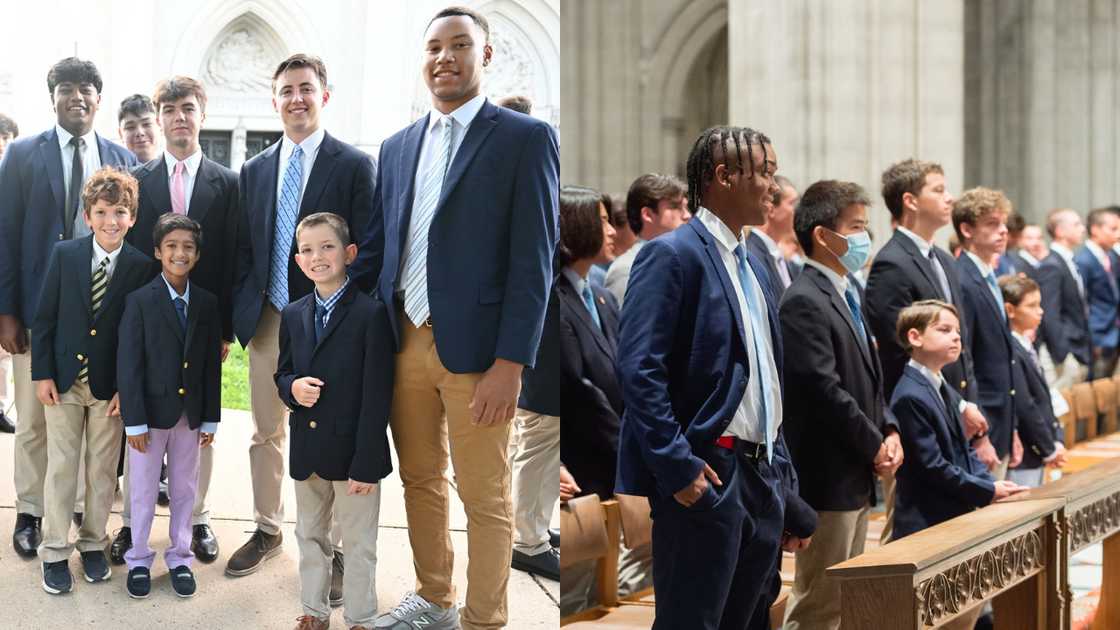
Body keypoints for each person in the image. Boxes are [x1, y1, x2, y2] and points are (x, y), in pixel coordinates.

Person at [355, 7, 559, 629]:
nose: (444, 57)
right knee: (420, 480)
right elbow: (379, 247)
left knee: (486, 497)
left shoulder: (524, 138)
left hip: (479, 356)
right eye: (434, 47)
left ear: (485, 56)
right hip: (404, 340)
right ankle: (435, 598)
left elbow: (535, 261)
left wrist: (511, 363)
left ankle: (484, 617)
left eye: (460, 45)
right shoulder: (396, 147)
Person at [615, 125, 815, 630]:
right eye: (765, 172)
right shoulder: (672, 254)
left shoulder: (756, 264)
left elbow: (766, 381)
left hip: (762, 474)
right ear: (724, 176)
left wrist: (784, 486)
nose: (774, 185)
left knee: (750, 620)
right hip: (709, 473)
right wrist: (677, 467)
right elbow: (640, 369)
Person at [231, 54, 376, 600]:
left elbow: (368, 245)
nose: (296, 98)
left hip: (328, 322)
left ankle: (332, 548)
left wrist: (342, 312)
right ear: (274, 100)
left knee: (328, 434)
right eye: (286, 90)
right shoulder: (256, 168)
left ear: (324, 95)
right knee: (266, 430)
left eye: (306, 88)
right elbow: (249, 244)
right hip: (272, 316)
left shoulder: (354, 165)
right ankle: (268, 529)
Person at [0, 57, 138, 558]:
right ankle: (30, 511)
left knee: (93, 421)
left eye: (85, 89)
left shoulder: (121, 156)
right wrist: (7, 312)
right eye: (65, 89)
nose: (76, 97)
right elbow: (7, 235)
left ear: (99, 98)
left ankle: (80, 512)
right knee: (37, 419)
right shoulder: (20, 156)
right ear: (52, 97)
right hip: (39, 314)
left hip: (101, 316)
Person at [112, 76, 237, 566]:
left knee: (194, 427)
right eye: (170, 109)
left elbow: (228, 258)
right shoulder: (139, 182)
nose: (179, 117)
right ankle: (130, 527)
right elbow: (131, 261)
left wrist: (224, 328)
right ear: (159, 118)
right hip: (148, 323)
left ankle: (197, 520)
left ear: (202, 114)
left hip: (203, 323)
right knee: (141, 428)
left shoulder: (228, 183)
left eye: (188, 107)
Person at [779, 180, 902, 630]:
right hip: (827, 475)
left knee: (844, 598)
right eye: (855, 227)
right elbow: (822, 388)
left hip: (854, 469)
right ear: (823, 236)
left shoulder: (847, 292)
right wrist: (874, 444)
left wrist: (889, 429)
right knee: (819, 602)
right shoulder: (804, 300)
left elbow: (869, 376)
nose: (864, 237)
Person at [31, 167, 153, 594]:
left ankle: (94, 544)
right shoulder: (65, 256)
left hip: (110, 388)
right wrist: (42, 372)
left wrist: (127, 387)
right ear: (87, 216)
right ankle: (54, 551)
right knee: (62, 468)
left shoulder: (141, 267)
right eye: (101, 212)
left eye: (120, 212)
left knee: (102, 471)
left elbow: (138, 336)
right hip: (63, 381)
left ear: (132, 217)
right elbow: (44, 318)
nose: (111, 221)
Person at [276, 212, 393, 630]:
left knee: (359, 543)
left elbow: (377, 395)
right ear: (297, 259)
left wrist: (366, 460)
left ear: (349, 253)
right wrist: (292, 389)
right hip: (308, 450)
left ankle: (361, 617)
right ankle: (314, 610)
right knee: (309, 536)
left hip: (354, 455)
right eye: (306, 249)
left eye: (327, 247)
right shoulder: (292, 313)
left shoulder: (370, 314)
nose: (317, 256)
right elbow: (282, 372)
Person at [863, 158, 990, 543]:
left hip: (952, 410)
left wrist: (966, 404)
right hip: (920, 419)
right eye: (938, 189)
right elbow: (903, 354)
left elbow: (960, 350)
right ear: (910, 200)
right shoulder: (891, 263)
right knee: (908, 534)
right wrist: (955, 405)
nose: (949, 197)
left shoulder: (944, 261)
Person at [890, 300, 1026, 628]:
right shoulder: (911, 394)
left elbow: (964, 449)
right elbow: (933, 465)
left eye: (958, 332)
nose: (956, 338)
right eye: (944, 330)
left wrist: (988, 482)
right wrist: (987, 488)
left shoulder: (939, 384)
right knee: (939, 613)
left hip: (951, 512)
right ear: (915, 336)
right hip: (927, 519)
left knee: (962, 608)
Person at [117, 213, 220, 599]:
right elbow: (130, 365)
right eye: (172, 246)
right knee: (143, 490)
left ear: (196, 255)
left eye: (188, 247)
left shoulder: (207, 304)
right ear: (158, 251)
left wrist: (210, 417)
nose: (180, 253)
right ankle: (139, 557)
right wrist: (135, 423)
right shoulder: (140, 301)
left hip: (189, 417)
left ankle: (180, 556)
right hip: (149, 418)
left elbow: (211, 366)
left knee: (184, 488)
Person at [545, 186, 621, 591]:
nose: (611, 229)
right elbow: (580, 389)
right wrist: (629, 443)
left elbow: (622, 374)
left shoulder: (603, 298)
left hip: (612, 466)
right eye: (603, 220)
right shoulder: (558, 299)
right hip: (583, 462)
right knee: (578, 589)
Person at [952, 187, 1018, 479]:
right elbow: (965, 359)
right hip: (983, 421)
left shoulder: (988, 274)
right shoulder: (963, 279)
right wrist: (980, 436)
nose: (1003, 231)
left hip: (1001, 419)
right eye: (992, 224)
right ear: (967, 229)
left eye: (1004, 224)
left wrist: (1012, 427)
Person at [999, 275, 1067, 488]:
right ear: (1010, 310)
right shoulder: (1010, 348)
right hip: (1025, 455)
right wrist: (1048, 448)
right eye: (1032, 305)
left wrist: (1055, 440)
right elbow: (1025, 404)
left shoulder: (1025, 344)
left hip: (1038, 451)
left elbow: (1044, 399)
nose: (1040, 310)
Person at [602, 173, 689, 306]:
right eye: (676, 207)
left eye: (686, 207)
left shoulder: (685, 260)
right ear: (648, 215)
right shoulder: (626, 269)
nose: (687, 215)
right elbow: (623, 325)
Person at [1037, 208, 1091, 388]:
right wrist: (1064, 355)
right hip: (1065, 354)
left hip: (1079, 349)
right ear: (1060, 231)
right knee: (1063, 411)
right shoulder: (1051, 265)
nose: (1082, 229)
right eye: (1076, 224)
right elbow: (1050, 314)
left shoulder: (1068, 261)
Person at [1074, 207, 1120, 378]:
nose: (1118, 234)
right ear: (1095, 230)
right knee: (1094, 390)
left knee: (1109, 392)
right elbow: (1081, 302)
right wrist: (1091, 337)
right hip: (1097, 336)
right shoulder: (1083, 260)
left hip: (1113, 332)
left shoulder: (1111, 256)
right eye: (1113, 229)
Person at [746, 174, 799, 294]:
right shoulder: (752, 255)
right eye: (792, 204)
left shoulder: (779, 256)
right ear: (771, 209)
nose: (797, 211)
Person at [117, 95, 161, 163]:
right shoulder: (112, 172)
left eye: (146, 124)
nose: (140, 133)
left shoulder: (174, 170)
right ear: (120, 134)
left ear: (160, 126)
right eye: (130, 127)